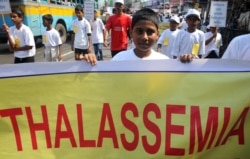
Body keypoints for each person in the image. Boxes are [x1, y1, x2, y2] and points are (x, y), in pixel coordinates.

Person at [111, 8, 195, 62]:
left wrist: (184, 65)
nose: (144, 37)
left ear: (157, 34)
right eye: (139, 31)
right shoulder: (119, 60)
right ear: (131, 33)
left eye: (150, 32)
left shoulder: (164, 62)